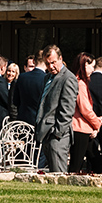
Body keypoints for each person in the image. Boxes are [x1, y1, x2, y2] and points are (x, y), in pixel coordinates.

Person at [32, 45, 77, 173]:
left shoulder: (68, 78)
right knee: (51, 176)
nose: (51, 66)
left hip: (58, 136)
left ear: (60, 59)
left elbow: (67, 110)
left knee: (59, 175)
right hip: (46, 134)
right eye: (47, 63)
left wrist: (57, 133)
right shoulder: (48, 78)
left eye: (53, 62)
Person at [69, 53, 102, 173]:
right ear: (84, 65)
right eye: (91, 66)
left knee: (95, 159)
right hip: (80, 128)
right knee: (77, 164)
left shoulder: (78, 82)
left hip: (83, 128)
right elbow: (85, 109)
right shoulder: (80, 83)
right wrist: (97, 124)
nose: (93, 70)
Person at [12, 55, 49, 128]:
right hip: (40, 123)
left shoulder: (22, 77)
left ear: (34, 62)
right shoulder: (47, 79)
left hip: (23, 122)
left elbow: (15, 101)